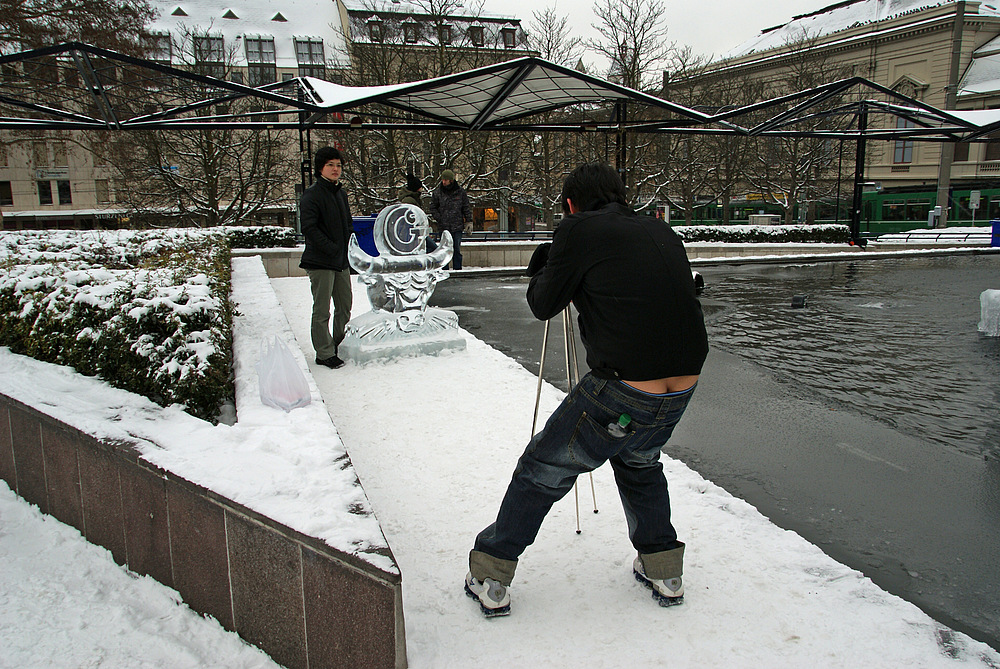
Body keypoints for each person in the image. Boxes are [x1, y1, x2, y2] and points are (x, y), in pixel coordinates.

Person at [464, 163, 709, 617]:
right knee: (639, 462)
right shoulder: (661, 231)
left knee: (542, 469)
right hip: (682, 384)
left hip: (624, 387)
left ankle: (491, 572)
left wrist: (542, 265)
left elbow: (543, 303)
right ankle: (663, 568)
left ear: (571, 204)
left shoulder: (577, 229)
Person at [299, 146, 353, 370]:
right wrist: (331, 248)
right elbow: (309, 228)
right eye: (330, 164)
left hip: (341, 261)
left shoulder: (340, 193)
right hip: (321, 261)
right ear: (320, 168)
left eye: (338, 165)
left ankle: (340, 345)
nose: (335, 169)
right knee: (322, 310)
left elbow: (347, 225)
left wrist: (349, 249)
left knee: (345, 306)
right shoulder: (312, 194)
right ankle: (324, 352)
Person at [429, 169, 472, 270]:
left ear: (451, 180)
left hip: (457, 225)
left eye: (446, 180)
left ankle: (458, 270)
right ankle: (444, 270)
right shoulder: (438, 193)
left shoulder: (460, 192)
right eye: (443, 180)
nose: (444, 182)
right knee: (444, 250)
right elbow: (433, 207)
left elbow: (466, 207)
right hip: (443, 226)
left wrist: (469, 221)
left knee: (456, 249)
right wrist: (439, 218)